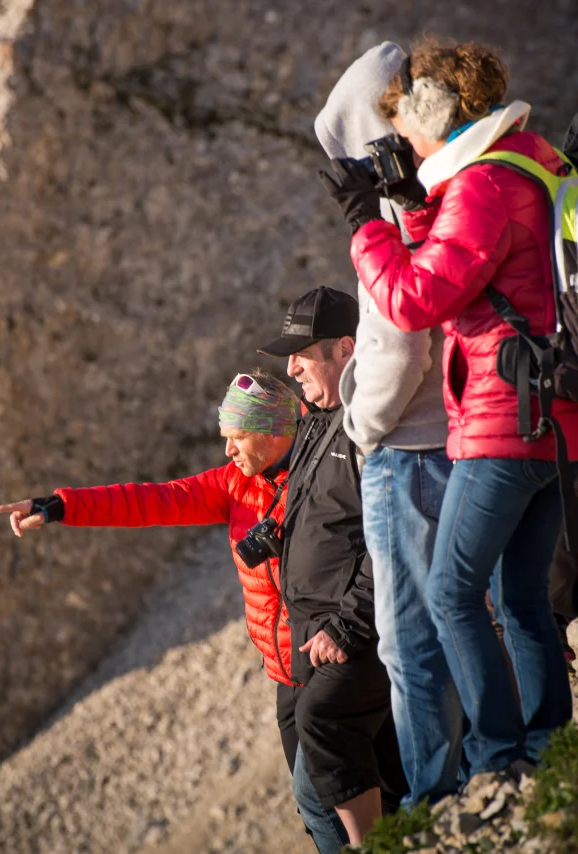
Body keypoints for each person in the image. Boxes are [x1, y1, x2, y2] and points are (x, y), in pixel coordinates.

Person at [320, 38, 578, 784]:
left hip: (502, 421)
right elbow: (477, 263)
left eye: (405, 130)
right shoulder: (532, 161)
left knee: (450, 593)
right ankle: (547, 744)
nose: (401, 143)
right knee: (520, 595)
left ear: (434, 118)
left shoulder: (484, 185)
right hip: (553, 419)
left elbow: (412, 301)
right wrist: (411, 205)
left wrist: (366, 223)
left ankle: (498, 755)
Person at [0, 370, 351, 852]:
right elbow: (151, 500)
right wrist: (60, 506)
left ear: (271, 433)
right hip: (283, 674)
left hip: (325, 662)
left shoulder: (322, 473)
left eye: (236, 438)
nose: (227, 451)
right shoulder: (233, 484)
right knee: (314, 806)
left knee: (322, 795)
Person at [314, 42, 461, 805]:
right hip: (459, 438)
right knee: (467, 618)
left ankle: (441, 795)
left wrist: (361, 425)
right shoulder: (443, 192)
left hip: (409, 450)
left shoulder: (395, 216)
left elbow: (396, 343)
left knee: (412, 641)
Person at [258, 286, 407, 846]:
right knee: (369, 778)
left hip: (347, 634)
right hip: (308, 640)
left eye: (303, 353)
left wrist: (347, 623)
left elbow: (386, 535)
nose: (291, 366)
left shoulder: (368, 422)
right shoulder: (318, 418)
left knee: (324, 758)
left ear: (346, 349)